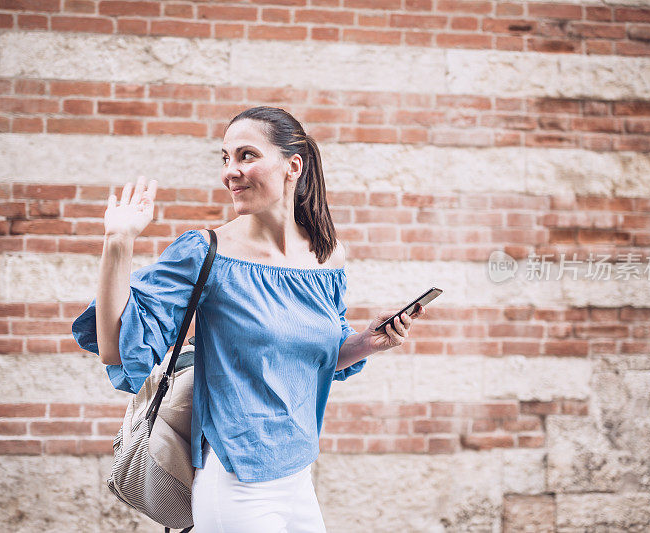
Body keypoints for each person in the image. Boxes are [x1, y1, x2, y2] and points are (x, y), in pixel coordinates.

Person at [72, 106, 425, 532]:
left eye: (246, 155)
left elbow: (315, 362)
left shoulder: (326, 256)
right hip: (234, 479)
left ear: (292, 165)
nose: (231, 171)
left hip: (296, 476)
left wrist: (368, 341)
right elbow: (114, 346)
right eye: (226, 158)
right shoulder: (206, 252)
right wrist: (118, 242)